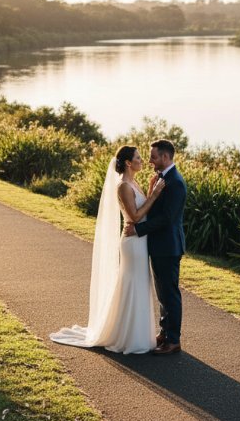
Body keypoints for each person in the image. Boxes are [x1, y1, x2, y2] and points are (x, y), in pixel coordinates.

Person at [50, 145, 166, 354]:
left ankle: (136, 332)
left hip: (141, 239)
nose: (142, 161)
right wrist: (155, 195)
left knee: (140, 282)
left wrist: (149, 191)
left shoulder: (134, 181)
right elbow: (135, 217)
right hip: (133, 242)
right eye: (138, 158)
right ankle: (125, 335)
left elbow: (142, 208)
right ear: (129, 163)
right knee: (132, 282)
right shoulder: (123, 185)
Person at [123, 139, 187, 355]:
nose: (150, 161)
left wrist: (139, 230)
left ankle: (173, 340)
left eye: (153, 157)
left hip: (168, 246)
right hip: (159, 245)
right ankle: (164, 331)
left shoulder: (175, 182)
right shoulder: (161, 178)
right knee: (162, 293)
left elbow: (168, 219)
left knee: (170, 293)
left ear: (165, 157)